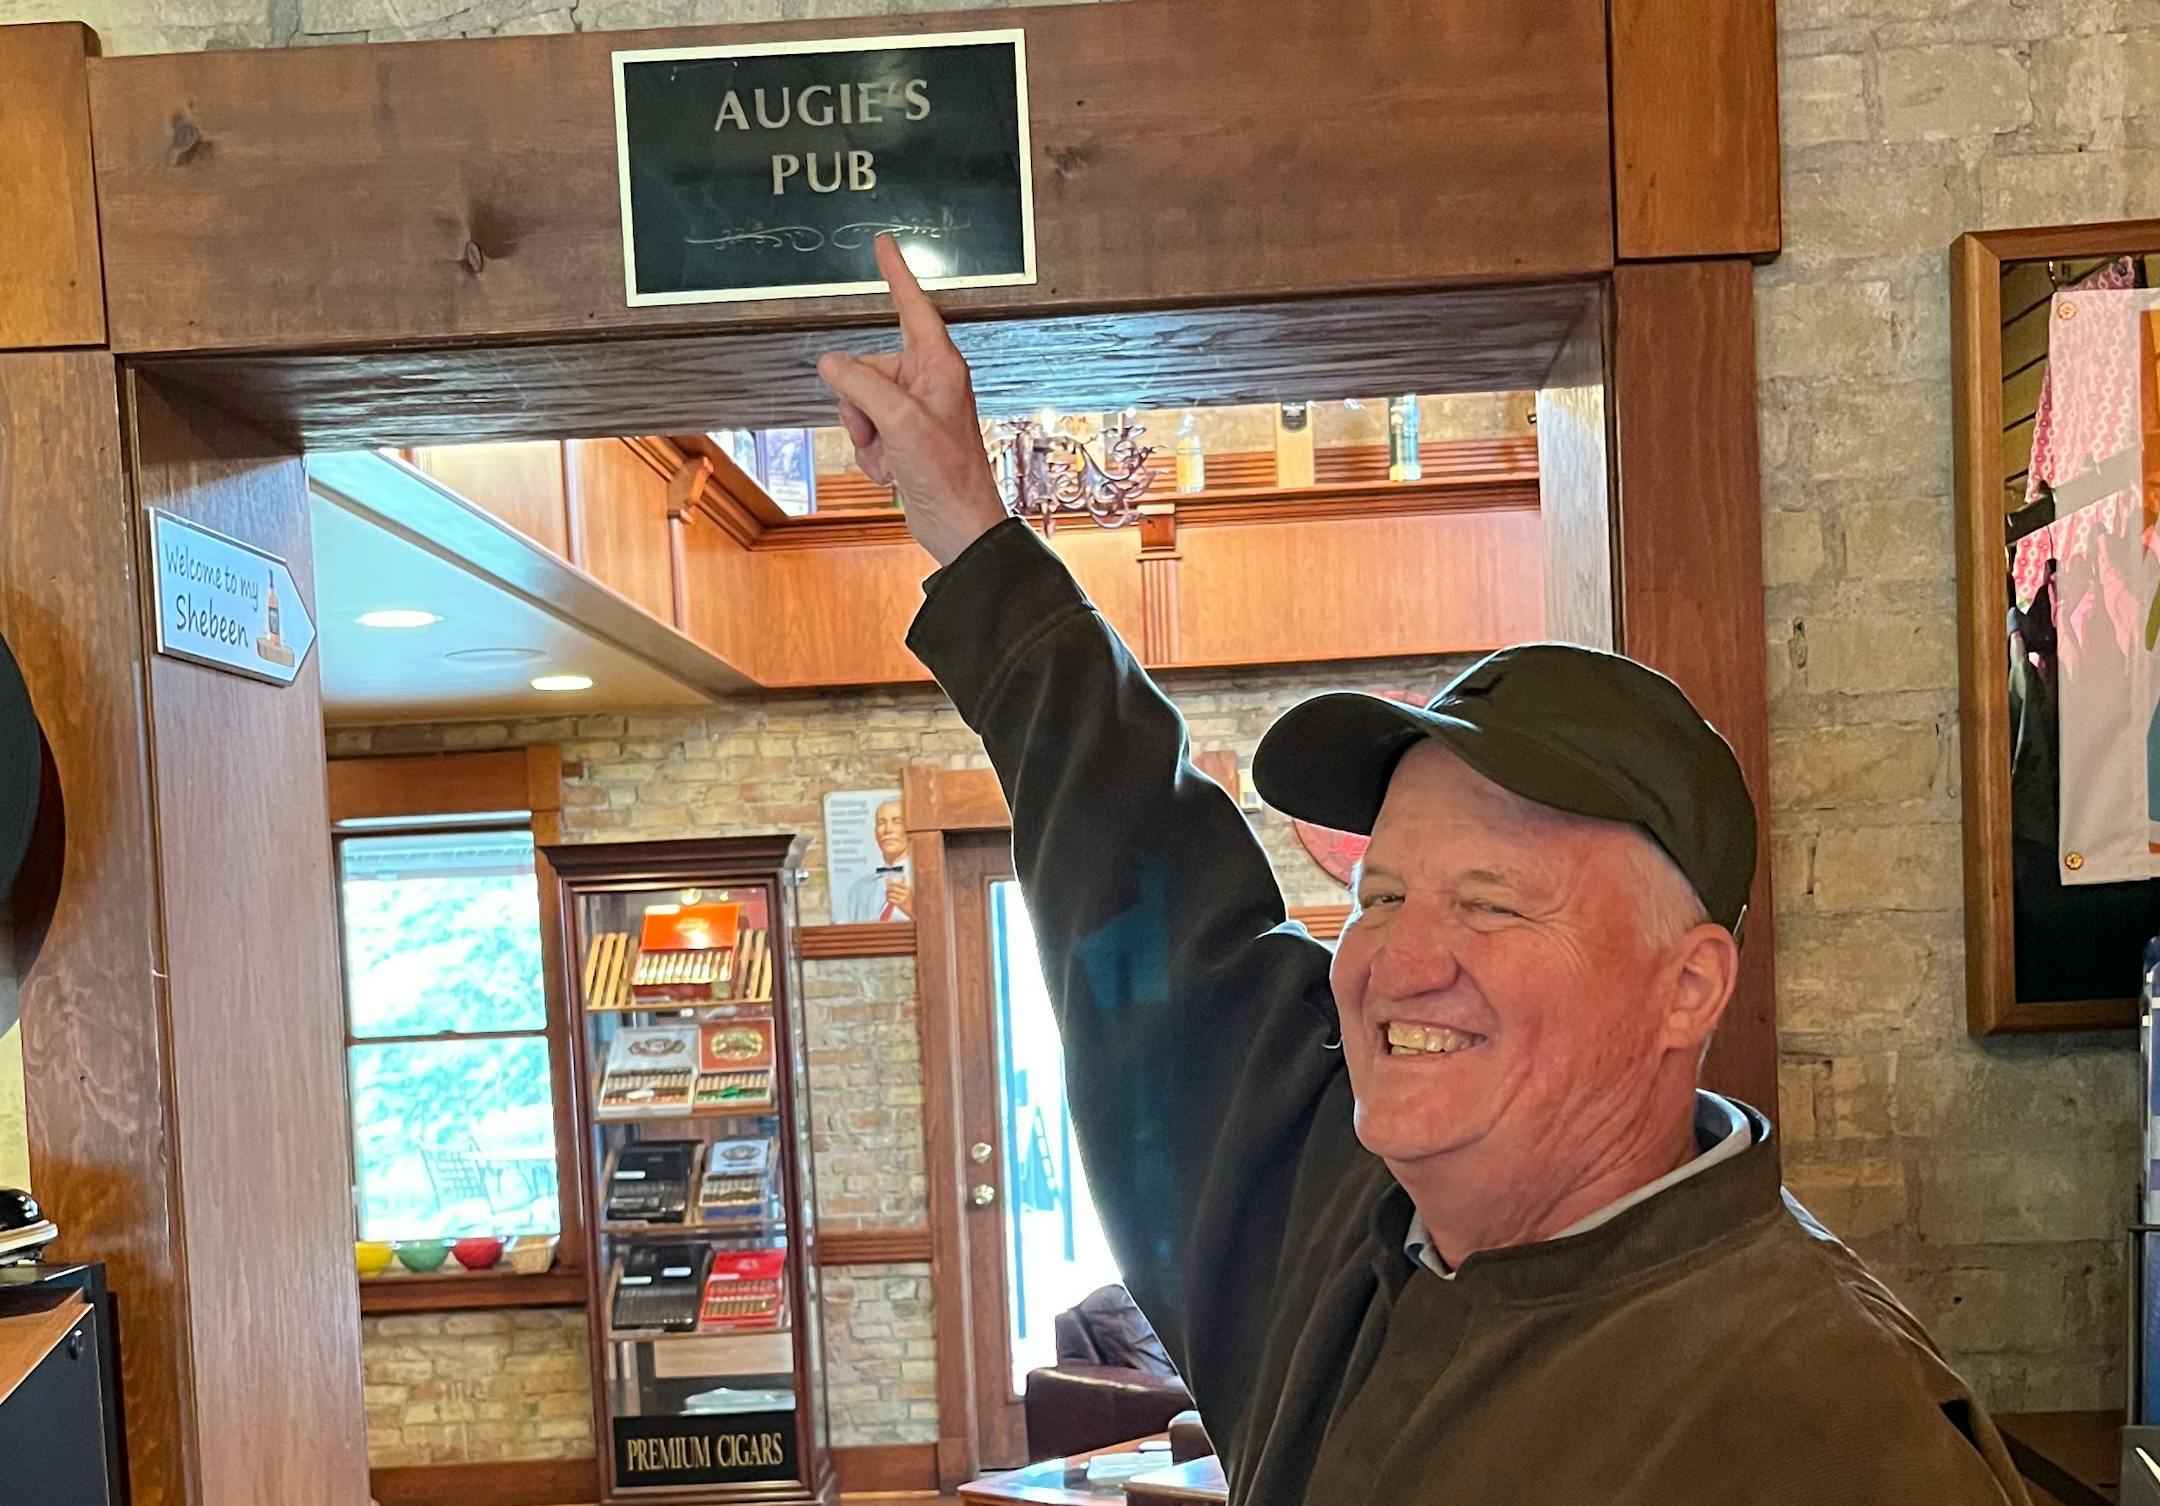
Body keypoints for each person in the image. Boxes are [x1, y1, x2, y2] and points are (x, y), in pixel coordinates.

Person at [818, 236, 2030, 1505]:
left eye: (1491, 903)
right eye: (1380, 895)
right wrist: (967, 525)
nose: (1399, 959)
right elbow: (1150, 873)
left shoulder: (1835, 1433)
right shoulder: (1328, 1199)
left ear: (1690, 988)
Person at [836, 797, 913, 923]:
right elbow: (842, 936)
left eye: (897, 821)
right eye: (881, 823)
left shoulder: (931, 883)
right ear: (875, 833)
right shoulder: (859, 890)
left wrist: (913, 908)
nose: (888, 830)